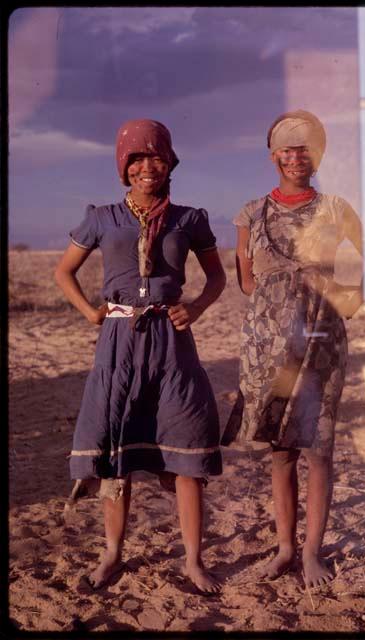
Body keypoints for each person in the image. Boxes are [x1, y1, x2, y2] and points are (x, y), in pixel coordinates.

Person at [55, 119, 226, 594]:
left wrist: (194, 308)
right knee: (117, 451)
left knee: (187, 452)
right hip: (118, 344)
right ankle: (112, 554)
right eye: (135, 159)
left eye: (155, 157)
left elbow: (216, 279)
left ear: (170, 162)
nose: (146, 167)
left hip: (172, 345)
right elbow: (64, 271)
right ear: (123, 167)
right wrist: (90, 310)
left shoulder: (189, 219)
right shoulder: (102, 217)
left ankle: (193, 560)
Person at [221, 110, 364, 589]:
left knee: (318, 451)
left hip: (321, 346)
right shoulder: (249, 213)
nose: (296, 156)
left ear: (316, 154)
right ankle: (285, 548)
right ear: (273, 156)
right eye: (287, 147)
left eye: (306, 147)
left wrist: (342, 296)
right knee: (280, 451)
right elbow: (245, 279)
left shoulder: (337, 209)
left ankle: (311, 553)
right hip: (266, 349)